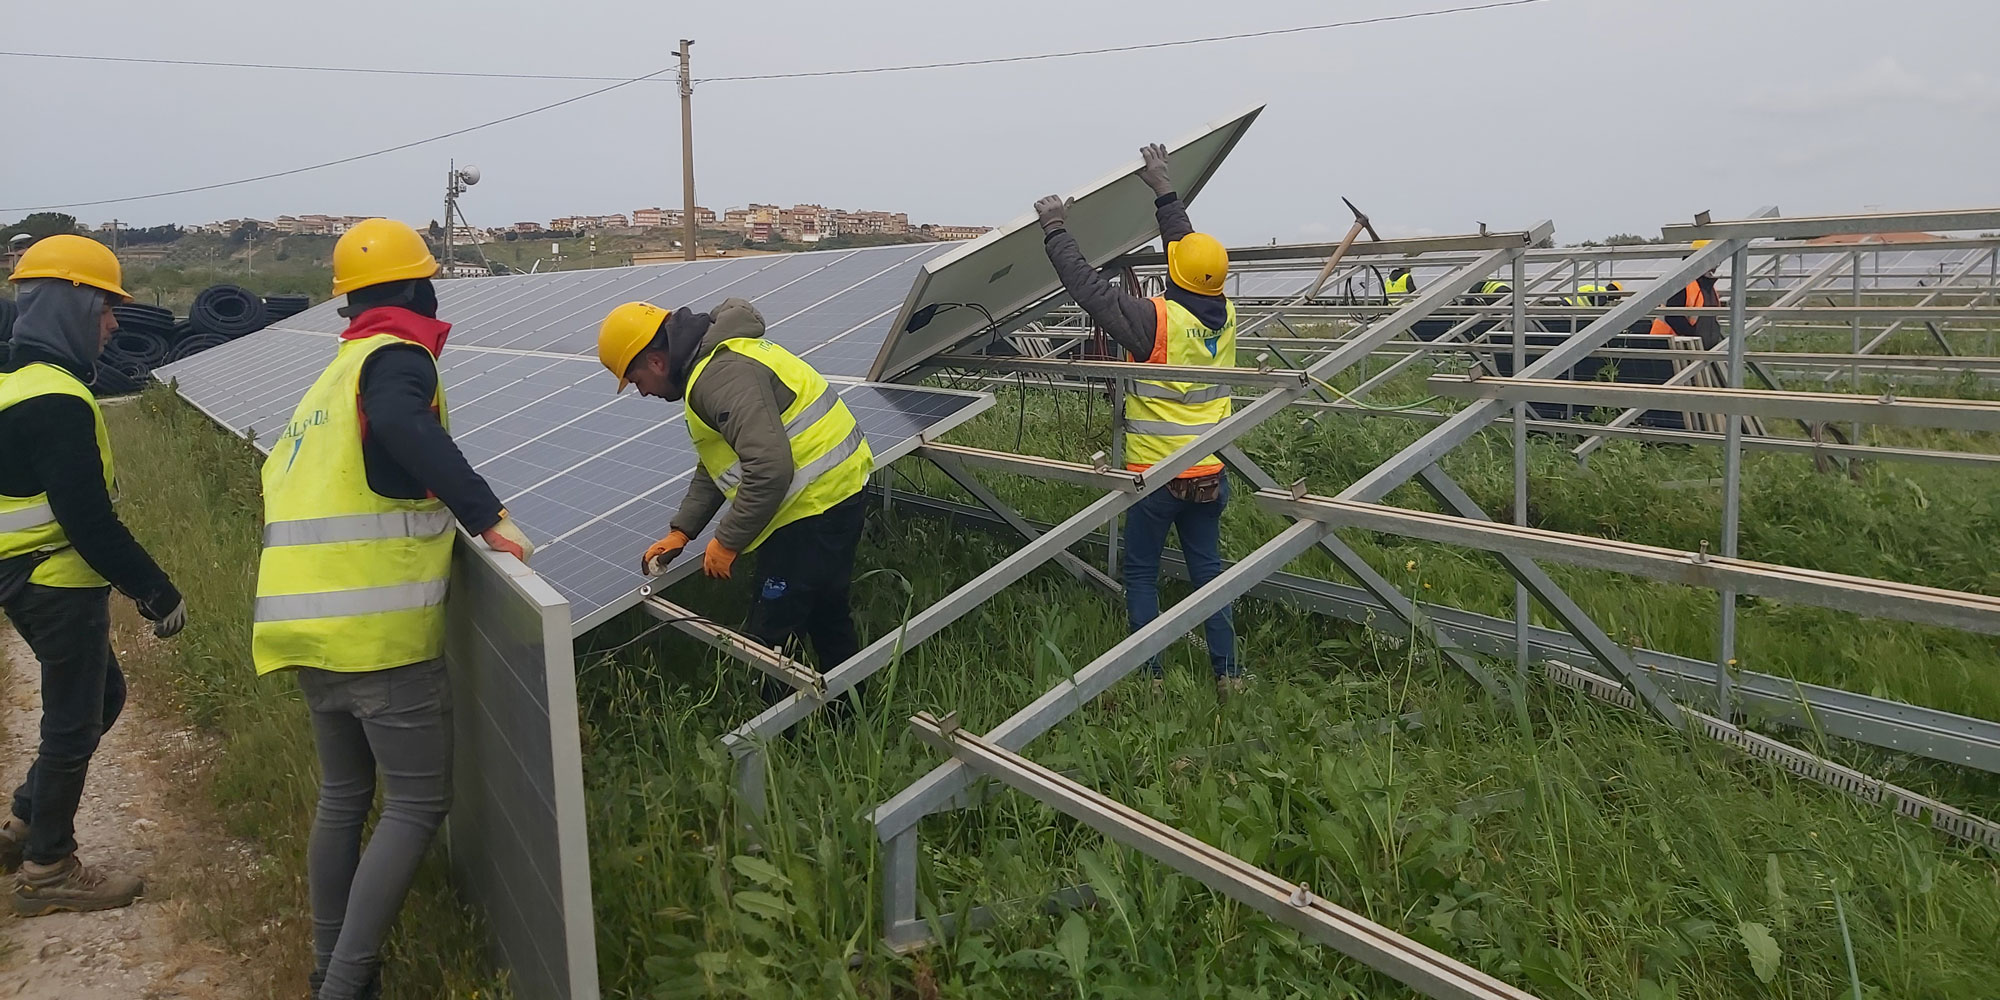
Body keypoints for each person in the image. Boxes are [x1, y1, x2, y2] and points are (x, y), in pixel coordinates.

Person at [252, 218, 533, 1000]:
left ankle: (323, 964)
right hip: (378, 632)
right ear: (417, 285)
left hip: (304, 625)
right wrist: (486, 515)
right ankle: (345, 984)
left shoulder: (332, 377)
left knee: (345, 796)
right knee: (415, 803)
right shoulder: (396, 360)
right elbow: (407, 428)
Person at [0, 235, 186, 916]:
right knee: (75, 720)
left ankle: (22, 823)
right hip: (55, 579)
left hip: (29, 577)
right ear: (70, 304)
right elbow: (87, 520)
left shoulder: (14, 385)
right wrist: (155, 589)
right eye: (106, 307)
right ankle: (49, 867)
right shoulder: (56, 398)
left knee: (101, 698)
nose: (114, 324)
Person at [1032, 142, 1242, 695]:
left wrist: (1056, 230)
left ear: (1175, 276)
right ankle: (1228, 675)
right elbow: (1191, 257)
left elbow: (1091, 292)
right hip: (1210, 474)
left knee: (1143, 573)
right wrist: (1164, 192)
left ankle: (1149, 677)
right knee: (1208, 573)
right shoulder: (1225, 317)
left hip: (1157, 478)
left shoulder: (1154, 322)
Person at [596, 296, 874, 705]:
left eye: (636, 379)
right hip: (831, 497)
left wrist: (727, 541)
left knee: (770, 638)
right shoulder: (710, 365)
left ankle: (776, 741)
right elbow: (721, 459)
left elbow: (769, 468)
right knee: (826, 614)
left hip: (811, 510)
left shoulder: (720, 376)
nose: (642, 392)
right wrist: (682, 530)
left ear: (656, 361)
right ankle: (850, 713)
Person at [1651, 240, 1723, 346]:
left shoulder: (1708, 287)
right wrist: (1694, 338)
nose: (1715, 265)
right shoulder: (1682, 283)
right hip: (1668, 347)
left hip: (1688, 349)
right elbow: (1673, 317)